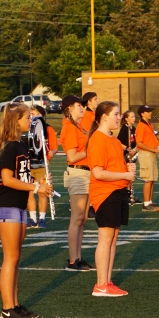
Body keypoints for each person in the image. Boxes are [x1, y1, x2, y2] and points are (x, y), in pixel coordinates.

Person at [0, 103, 49, 318]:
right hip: (7, 204)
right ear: (15, 120)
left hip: (18, 205)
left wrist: (39, 182)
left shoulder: (20, 146)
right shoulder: (9, 147)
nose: (30, 121)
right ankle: (7, 308)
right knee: (11, 257)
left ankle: (14, 304)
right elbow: (7, 180)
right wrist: (36, 188)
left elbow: (22, 177)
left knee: (16, 258)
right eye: (27, 117)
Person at [87, 101, 136, 297]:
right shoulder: (97, 139)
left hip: (118, 192)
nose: (119, 118)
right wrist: (124, 176)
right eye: (116, 114)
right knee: (106, 239)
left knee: (113, 238)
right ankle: (100, 283)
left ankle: (107, 280)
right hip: (105, 193)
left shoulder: (114, 140)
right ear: (104, 116)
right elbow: (98, 173)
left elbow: (115, 167)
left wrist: (128, 171)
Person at [60, 95, 93, 271]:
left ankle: (78, 257)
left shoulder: (78, 127)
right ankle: (73, 260)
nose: (82, 108)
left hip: (85, 172)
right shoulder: (70, 128)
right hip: (78, 172)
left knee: (83, 218)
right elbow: (72, 157)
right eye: (78, 106)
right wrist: (90, 148)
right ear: (69, 109)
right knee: (77, 218)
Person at [26, 105, 57, 229]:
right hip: (29, 163)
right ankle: (33, 218)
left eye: (35, 114)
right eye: (31, 114)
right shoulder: (26, 129)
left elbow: (54, 147)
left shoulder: (48, 129)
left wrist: (52, 152)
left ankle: (42, 218)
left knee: (42, 192)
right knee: (29, 191)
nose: (33, 116)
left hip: (42, 163)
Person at [135, 105, 159, 212]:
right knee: (148, 179)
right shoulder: (141, 126)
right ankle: (146, 204)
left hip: (151, 153)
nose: (150, 113)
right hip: (146, 154)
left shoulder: (148, 124)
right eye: (147, 111)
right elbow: (139, 143)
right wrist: (153, 149)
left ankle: (149, 202)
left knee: (152, 179)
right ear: (142, 113)